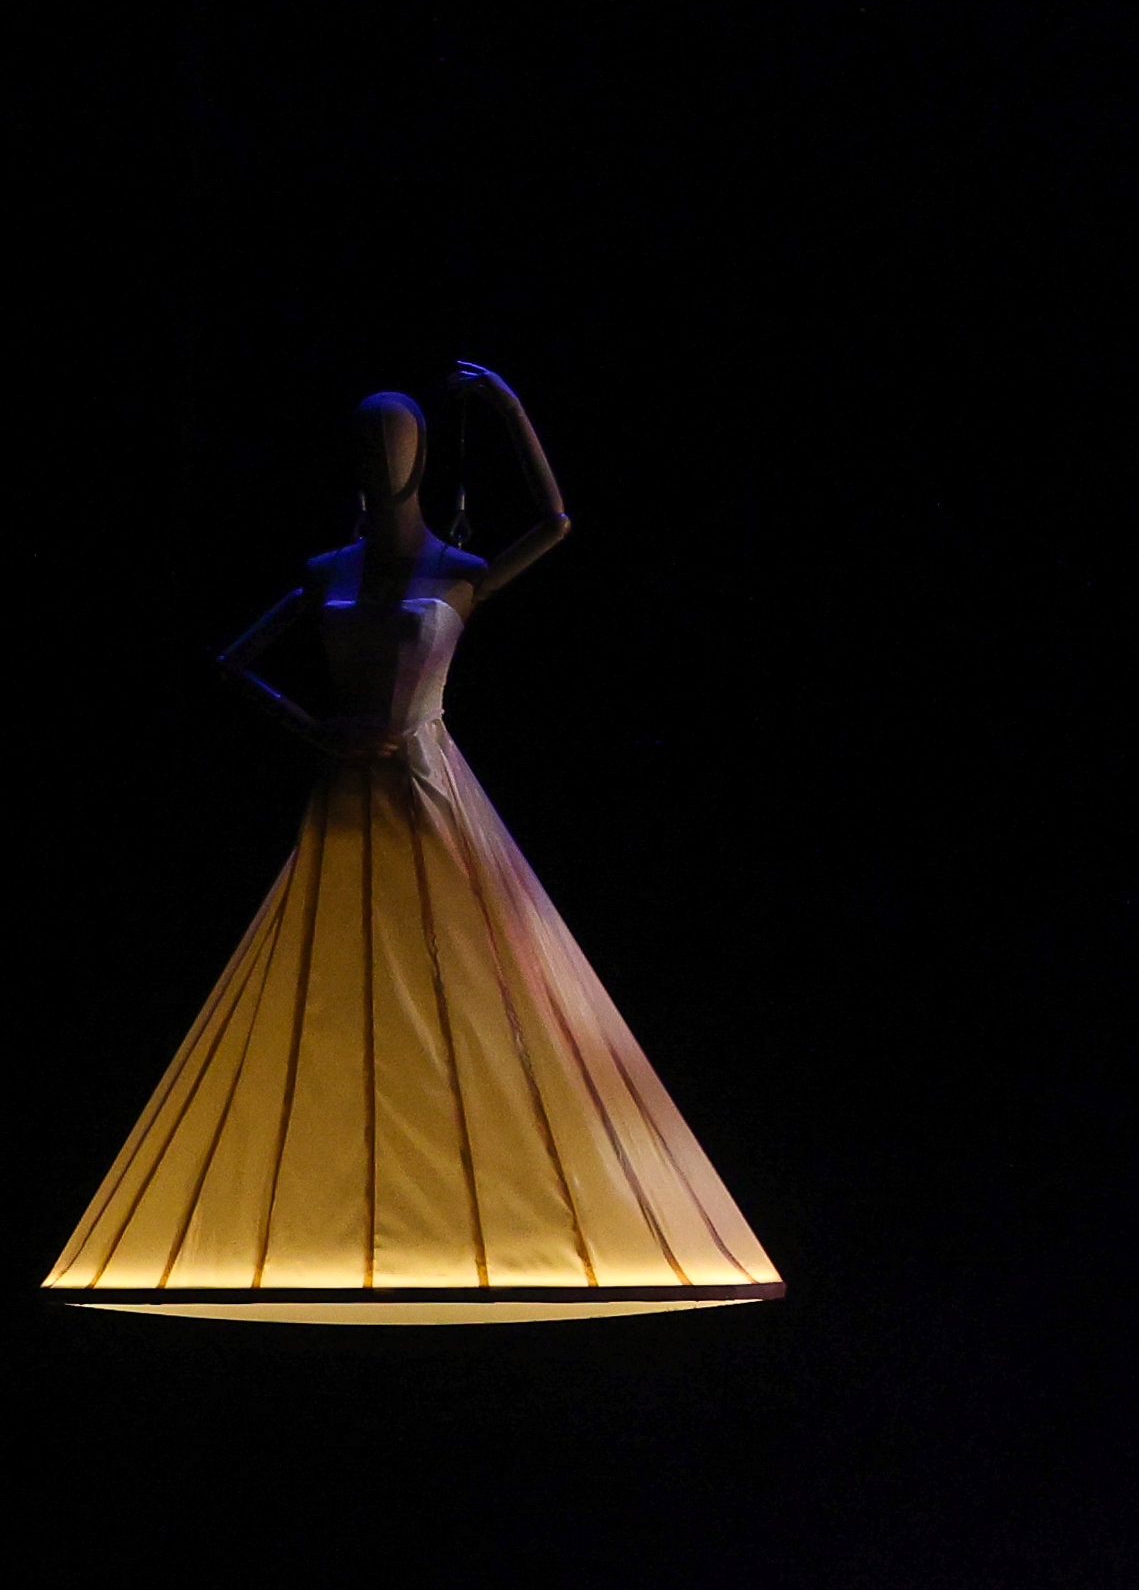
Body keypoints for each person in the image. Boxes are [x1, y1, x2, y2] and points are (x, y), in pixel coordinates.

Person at [49, 369, 778, 1316]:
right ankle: (318, 1194)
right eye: (367, 446)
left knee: (478, 971)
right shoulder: (328, 571)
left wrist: (507, 408)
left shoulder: (458, 571)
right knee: (332, 974)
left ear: (421, 457)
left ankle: (505, 1189)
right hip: (348, 785)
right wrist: (318, 730)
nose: (380, 460)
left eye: (395, 444)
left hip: (429, 782)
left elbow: (554, 524)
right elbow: (235, 658)